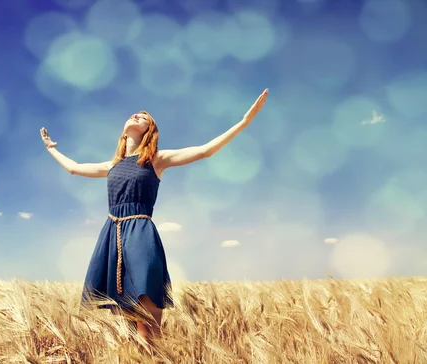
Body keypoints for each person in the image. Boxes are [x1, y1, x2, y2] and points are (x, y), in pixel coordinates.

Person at [40, 88, 269, 347]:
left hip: (140, 232)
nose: (138, 115)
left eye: (145, 117)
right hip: (112, 235)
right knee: (122, 324)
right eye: (135, 114)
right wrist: (50, 149)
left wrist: (244, 121)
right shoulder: (112, 165)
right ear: (123, 131)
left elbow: (205, 150)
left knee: (147, 321)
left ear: (150, 130)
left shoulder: (156, 160)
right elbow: (74, 168)